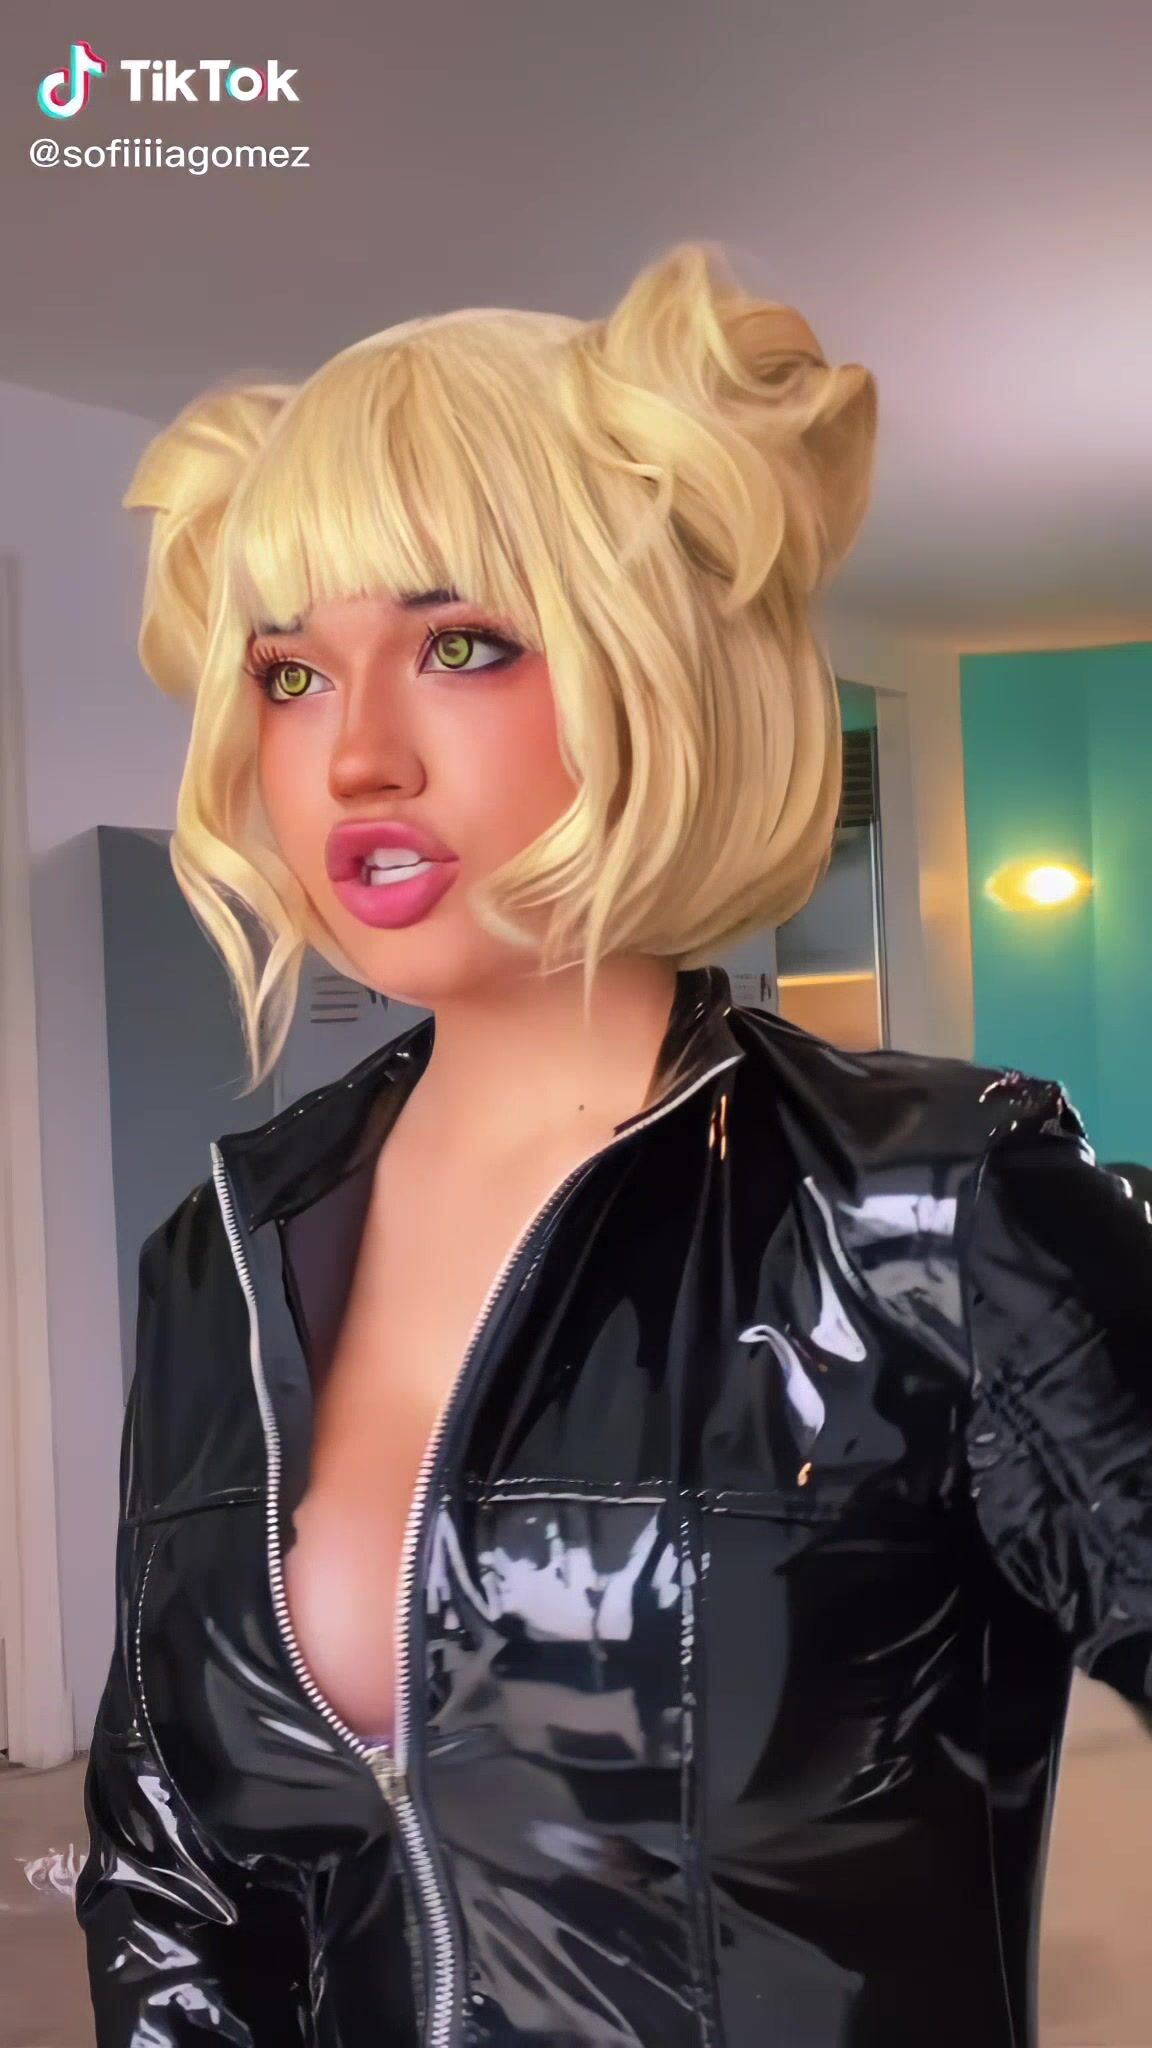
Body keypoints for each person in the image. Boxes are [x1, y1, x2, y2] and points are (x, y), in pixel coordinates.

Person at [75, 241, 1152, 2048]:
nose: (356, 757)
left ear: (661, 664)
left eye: (463, 645)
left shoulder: (933, 1206)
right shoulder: (220, 1254)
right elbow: (170, 1871)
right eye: (290, 673)